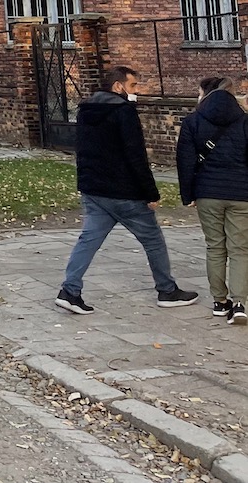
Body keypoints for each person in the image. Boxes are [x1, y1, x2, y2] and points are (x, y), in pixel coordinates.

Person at [56, 65, 198, 314]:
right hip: (124, 192)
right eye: (133, 86)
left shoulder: (86, 110)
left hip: (94, 189)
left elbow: (84, 150)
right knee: (153, 239)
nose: (136, 91)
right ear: (118, 86)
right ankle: (167, 290)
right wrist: (150, 193)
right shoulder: (123, 112)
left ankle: (70, 290)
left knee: (88, 240)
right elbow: (136, 156)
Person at [176, 73, 248, 323]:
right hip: (241, 194)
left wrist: (188, 194)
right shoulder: (244, 121)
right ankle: (239, 304)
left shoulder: (193, 121)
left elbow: (184, 161)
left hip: (207, 193)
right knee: (240, 249)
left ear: (205, 94)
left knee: (215, 246)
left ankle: (219, 301)